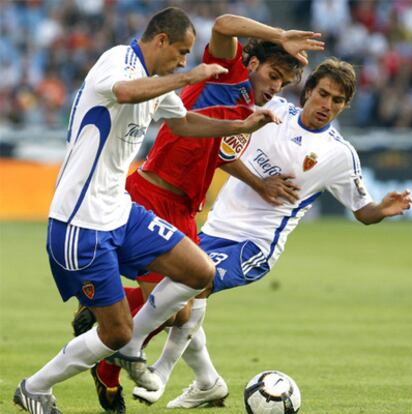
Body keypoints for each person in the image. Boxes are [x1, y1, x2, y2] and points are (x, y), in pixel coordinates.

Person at [12, 7, 281, 414]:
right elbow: (123, 92)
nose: (184, 62)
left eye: (188, 57)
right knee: (116, 332)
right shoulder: (118, 60)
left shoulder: (156, 85)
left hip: (120, 211)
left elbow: (186, 122)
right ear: (160, 41)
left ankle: (135, 344)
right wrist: (189, 78)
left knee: (200, 271)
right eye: (181, 53)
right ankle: (35, 387)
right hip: (80, 222)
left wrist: (242, 128)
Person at [76, 13, 325, 413]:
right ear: (252, 63)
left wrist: (258, 183)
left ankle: (103, 309)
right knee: (169, 304)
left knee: (180, 311)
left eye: (284, 82)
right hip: (151, 196)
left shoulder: (249, 109)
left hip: (186, 211)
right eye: (273, 74)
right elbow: (224, 23)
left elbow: (217, 150)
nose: (276, 86)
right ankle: (105, 361)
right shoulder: (226, 74)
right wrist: (280, 34)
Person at [131, 57, 412, 408]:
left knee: (191, 285)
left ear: (344, 106)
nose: (327, 105)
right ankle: (207, 382)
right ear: (308, 91)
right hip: (214, 229)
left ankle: (154, 366)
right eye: (323, 94)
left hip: (254, 246)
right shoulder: (272, 110)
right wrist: (259, 183)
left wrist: (382, 211)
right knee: (179, 304)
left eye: (337, 101)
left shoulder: (340, 155)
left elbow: (363, 211)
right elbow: (221, 149)